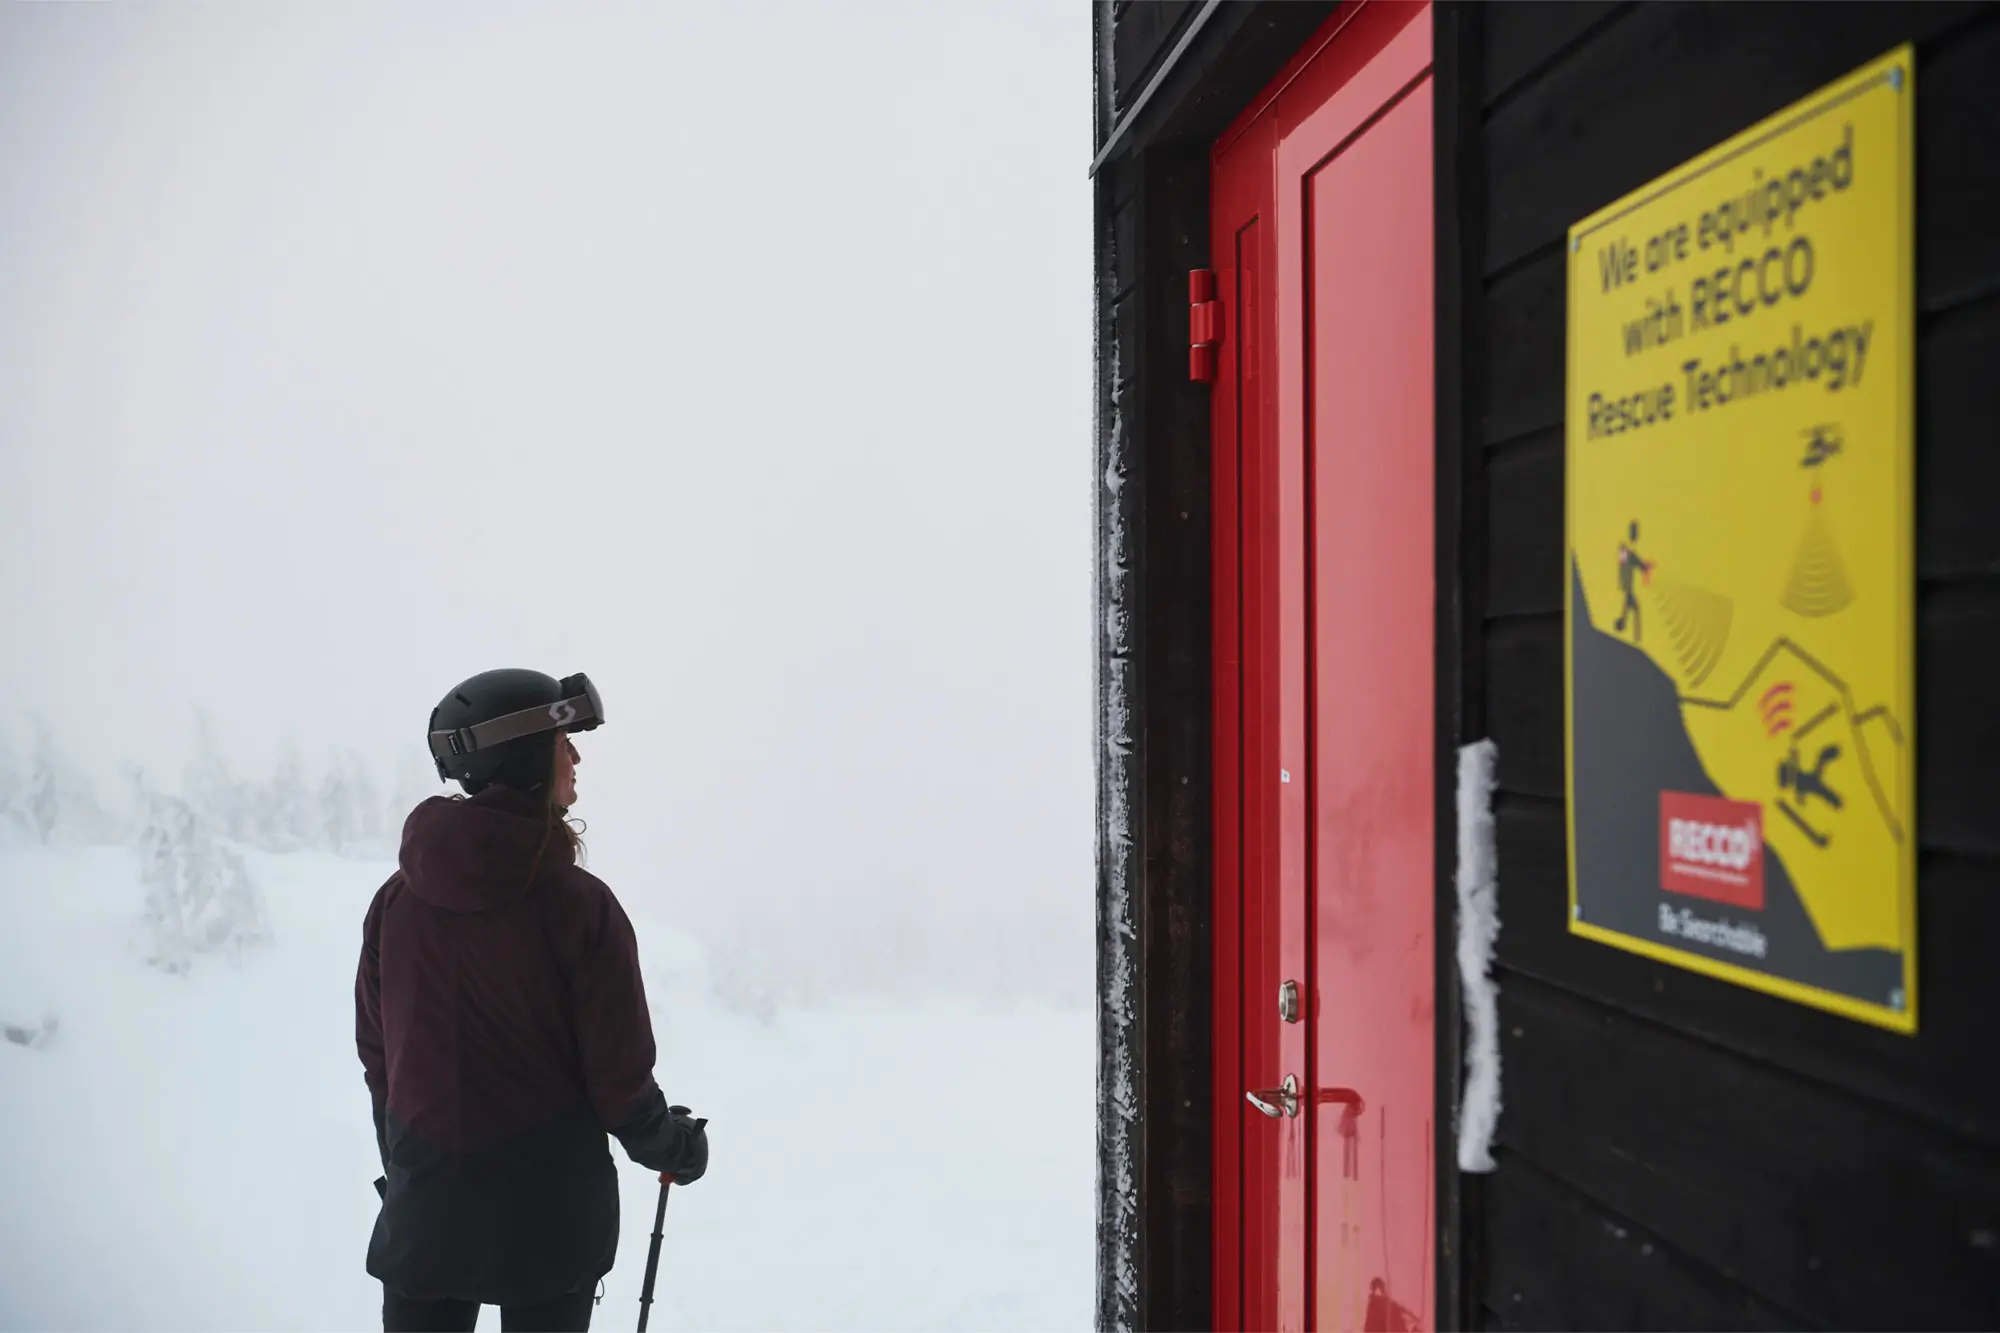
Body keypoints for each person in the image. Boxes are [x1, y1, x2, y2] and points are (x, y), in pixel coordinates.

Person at [356, 669, 707, 1333]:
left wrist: (406, 1173)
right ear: (521, 759)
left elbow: (383, 1063)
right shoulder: (580, 907)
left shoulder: (395, 903)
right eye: (561, 741)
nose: (575, 757)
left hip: (425, 1214)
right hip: (550, 1225)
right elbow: (620, 1083)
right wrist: (676, 1148)